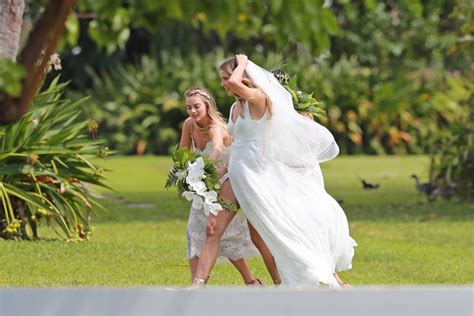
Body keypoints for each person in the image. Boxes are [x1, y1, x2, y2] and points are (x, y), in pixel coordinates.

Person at [195, 54, 356, 287]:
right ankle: (197, 284)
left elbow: (235, 84)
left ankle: (302, 281)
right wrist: (215, 170)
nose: (223, 84)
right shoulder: (234, 107)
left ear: (241, 77)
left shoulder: (259, 99)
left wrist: (242, 63)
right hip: (236, 175)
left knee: (268, 235)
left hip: (257, 176)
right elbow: (236, 142)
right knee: (213, 228)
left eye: (225, 77)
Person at [179, 86, 260, 286]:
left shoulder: (216, 127)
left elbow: (216, 148)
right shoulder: (189, 124)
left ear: (207, 105)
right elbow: (182, 150)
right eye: (189, 108)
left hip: (226, 179)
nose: (192, 111)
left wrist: (205, 170)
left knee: (223, 234)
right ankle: (196, 283)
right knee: (194, 231)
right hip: (204, 182)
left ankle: (250, 280)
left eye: (196, 106)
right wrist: (185, 171)